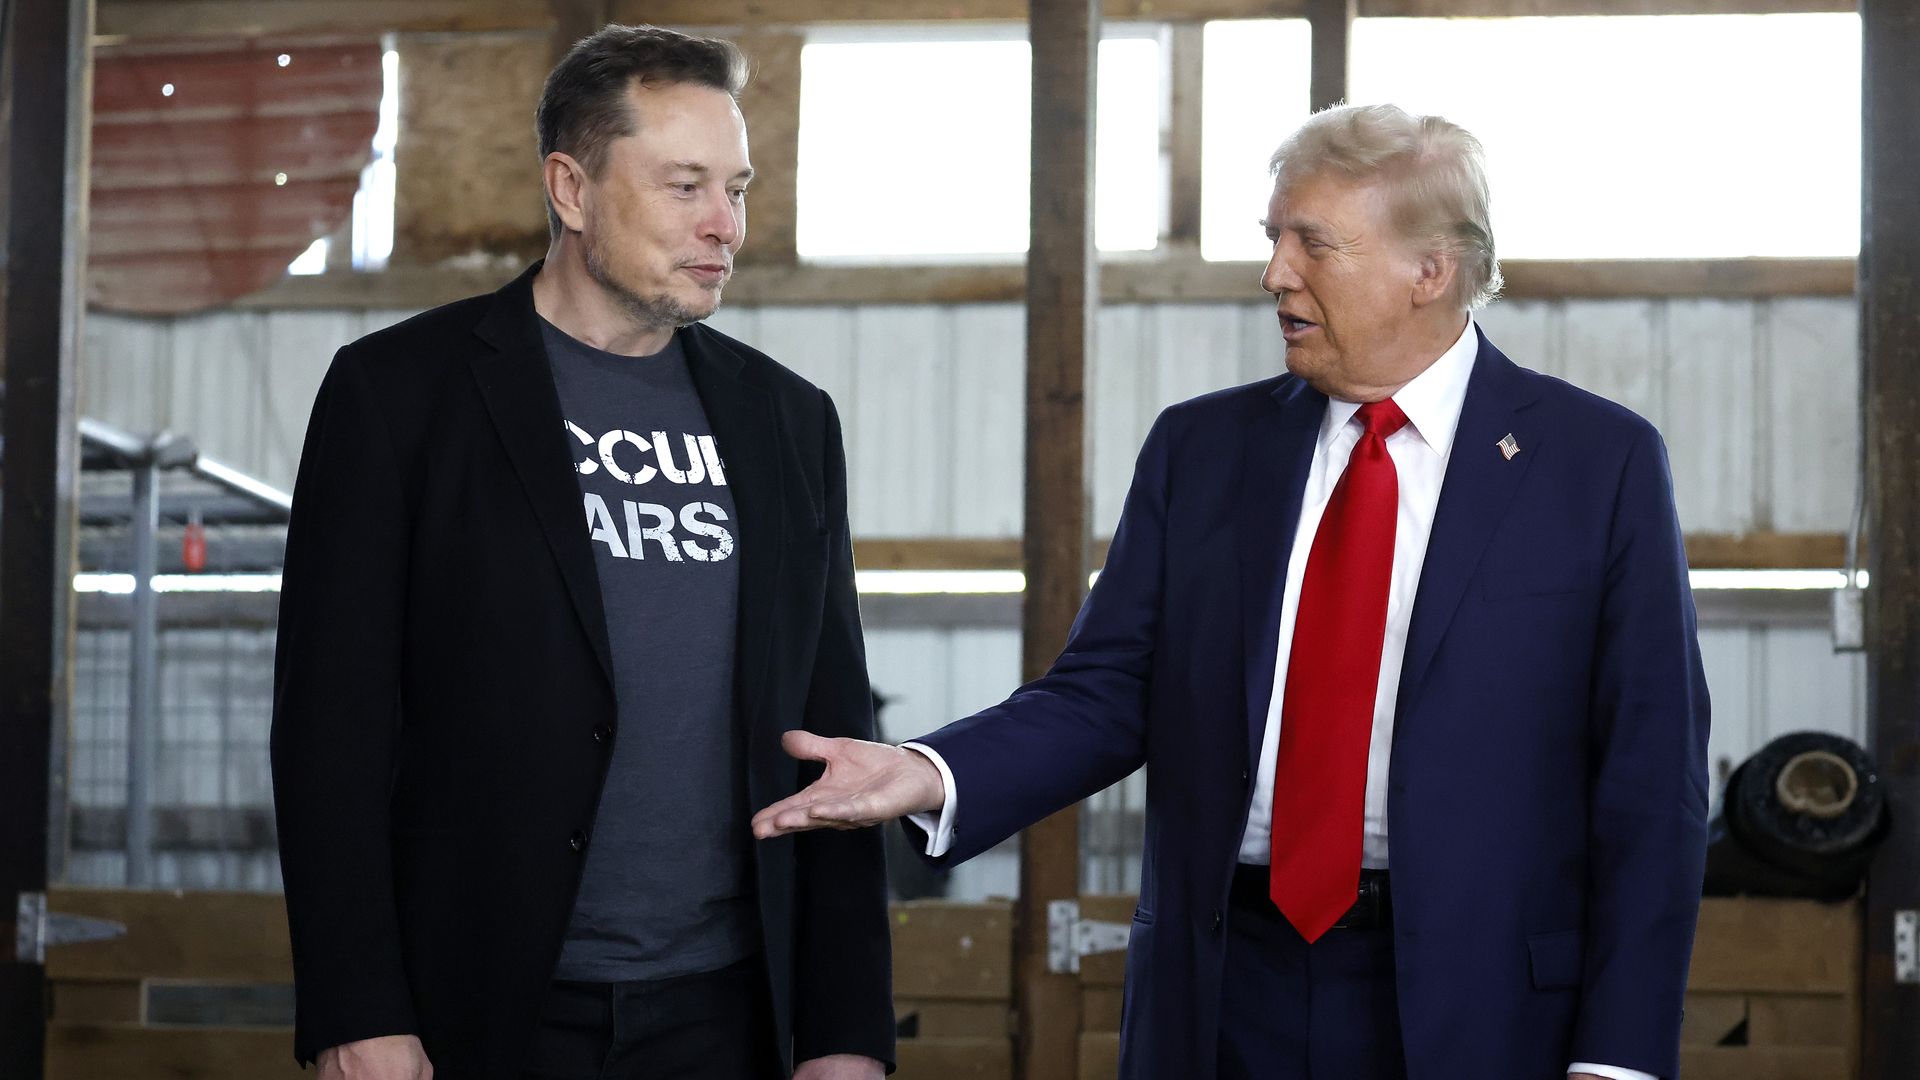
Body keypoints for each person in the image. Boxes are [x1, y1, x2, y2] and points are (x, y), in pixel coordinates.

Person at [754, 104, 1709, 1080]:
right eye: (1273, 239)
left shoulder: (1596, 464)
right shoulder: (1202, 450)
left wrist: (1620, 1058)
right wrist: (929, 773)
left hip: (1483, 1004)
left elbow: (1649, 780)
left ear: (1430, 270)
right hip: (1220, 992)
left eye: (1314, 245)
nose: (1275, 275)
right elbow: (1107, 690)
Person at [272, 24, 891, 1080]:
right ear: (571, 188)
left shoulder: (787, 419)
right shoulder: (400, 396)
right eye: (685, 186)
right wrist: (355, 1005)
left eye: (736, 189)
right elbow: (330, 727)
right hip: (480, 1000)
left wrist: (844, 1032)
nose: (724, 226)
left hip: (727, 1009)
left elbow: (829, 726)